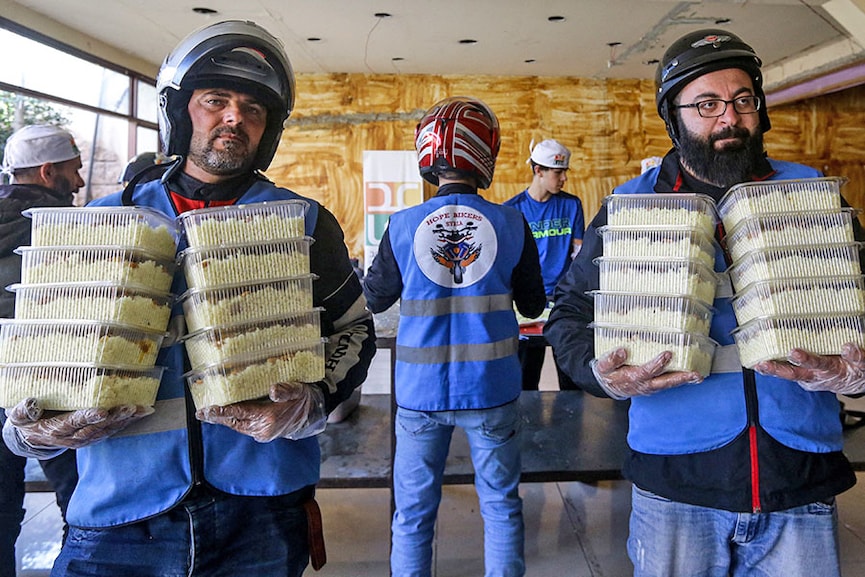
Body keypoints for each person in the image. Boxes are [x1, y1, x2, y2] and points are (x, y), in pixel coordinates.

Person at [2, 20, 375, 577]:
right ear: (180, 113)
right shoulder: (103, 222)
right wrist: (24, 423)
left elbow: (353, 329)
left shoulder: (303, 223)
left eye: (252, 109)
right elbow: (41, 347)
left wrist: (314, 397)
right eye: (215, 101)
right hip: (120, 513)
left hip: (263, 508)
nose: (234, 118)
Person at [543, 29, 865, 577]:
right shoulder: (630, 207)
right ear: (674, 117)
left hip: (798, 481)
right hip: (677, 487)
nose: (729, 118)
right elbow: (569, 315)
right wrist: (601, 376)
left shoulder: (812, 194)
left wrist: (857, 372)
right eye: (707, 104)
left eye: (743, 101)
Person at [363, 96, 546, 577]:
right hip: (492, 390)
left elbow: (375, 299)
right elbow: (531, 305)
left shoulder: (401, 225)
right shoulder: (512, 222)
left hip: (419, 397)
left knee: (413, 517)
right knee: (502, 507)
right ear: (486, 153)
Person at [0, 124, 81, 577]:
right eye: (75, 170)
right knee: (81, 503)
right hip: (55, 390)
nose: (81, 183)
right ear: (49, 172)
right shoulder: (66, 230)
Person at [504, 139, 584, 390]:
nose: (563, 179)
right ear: (539, 171)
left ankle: (571, 428)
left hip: (564, 301)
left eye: (564, 173)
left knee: (570, 379)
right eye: (558, 173)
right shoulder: (512, 210)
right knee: (526, 377)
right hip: (527, 302)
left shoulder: (572, 205)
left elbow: (578, 254)